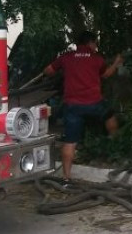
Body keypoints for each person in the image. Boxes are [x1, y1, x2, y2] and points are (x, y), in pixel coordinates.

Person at [43, 31, 123, 181]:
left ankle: (66, 177)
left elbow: (48, 71)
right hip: (94, 104)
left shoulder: (66, 57)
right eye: (95, 44)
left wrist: (63, 71)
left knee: (70, 142)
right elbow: (106, 74)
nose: (96, 46)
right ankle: (115, 142)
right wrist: (116, 63)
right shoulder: (96, 59)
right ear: (90, 43)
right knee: (110, 116)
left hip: (72, 106)